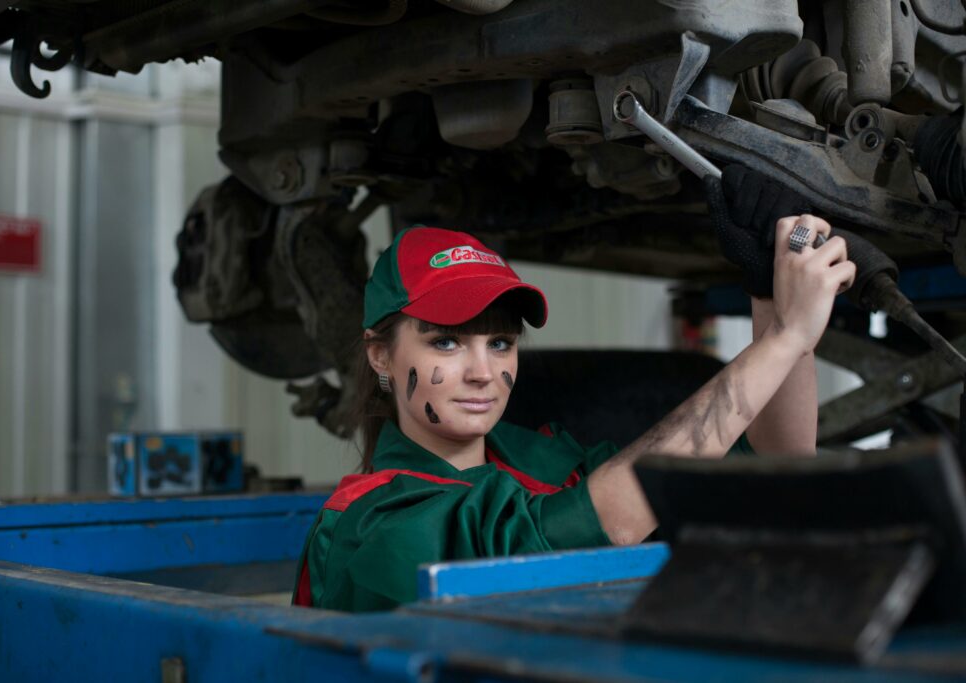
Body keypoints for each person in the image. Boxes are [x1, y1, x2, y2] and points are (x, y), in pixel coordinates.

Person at [292, 189, 855, 612]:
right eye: (445, 341)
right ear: (380, 355)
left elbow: (776, 466)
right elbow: (579, 528)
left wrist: (769, 297)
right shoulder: (369, 523)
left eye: (501, 343)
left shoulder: (539, 461)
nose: (484, 372)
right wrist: (786, 340)